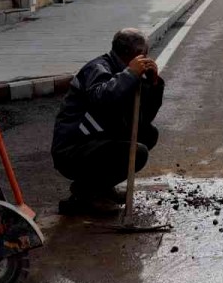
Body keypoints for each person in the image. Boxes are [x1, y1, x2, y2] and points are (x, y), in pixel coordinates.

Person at [51, 28, 165, 215]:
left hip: (97, 139)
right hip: (73, 148)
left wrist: (153, 84)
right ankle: (87, 193)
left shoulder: (127, 73)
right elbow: (103, 98)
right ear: (133, 54)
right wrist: (130, 74)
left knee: (148, 134)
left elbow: (143, 117)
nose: (146, 59)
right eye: (144, 54)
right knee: (137, 152)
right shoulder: (98, 68)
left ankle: (101, 186)